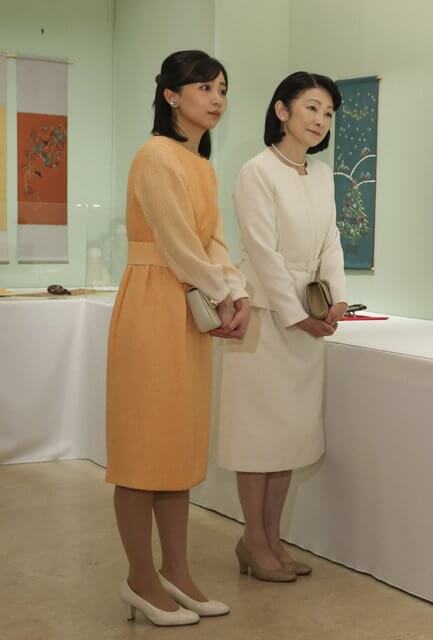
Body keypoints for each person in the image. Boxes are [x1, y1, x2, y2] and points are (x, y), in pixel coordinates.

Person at [106, 50, 250, 626]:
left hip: (188, 304)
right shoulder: (154, 156)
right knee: (143, 446)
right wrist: (223, 291)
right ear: (171, 96)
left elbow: (211, 240)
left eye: (222, 88)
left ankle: (177, 571)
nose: (216, 99)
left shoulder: (202, 165)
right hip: (152, 302)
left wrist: (234, 288)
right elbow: (176, 243)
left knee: (177, 442)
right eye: (204, 88)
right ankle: (141, 578)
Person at [215, 72, 347, 582]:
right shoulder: (256, 171)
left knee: (289, 439)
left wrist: (334, 303)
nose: (320, 120)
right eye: (311, 108)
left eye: (328, 112)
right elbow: (264, 254)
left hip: (308, 319)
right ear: (281, 111)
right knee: (258, 439)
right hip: (268, 320)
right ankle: (253, 539)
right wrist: (298, 316)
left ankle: (272, 541)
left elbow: (331, 242)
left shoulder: (323, 174)